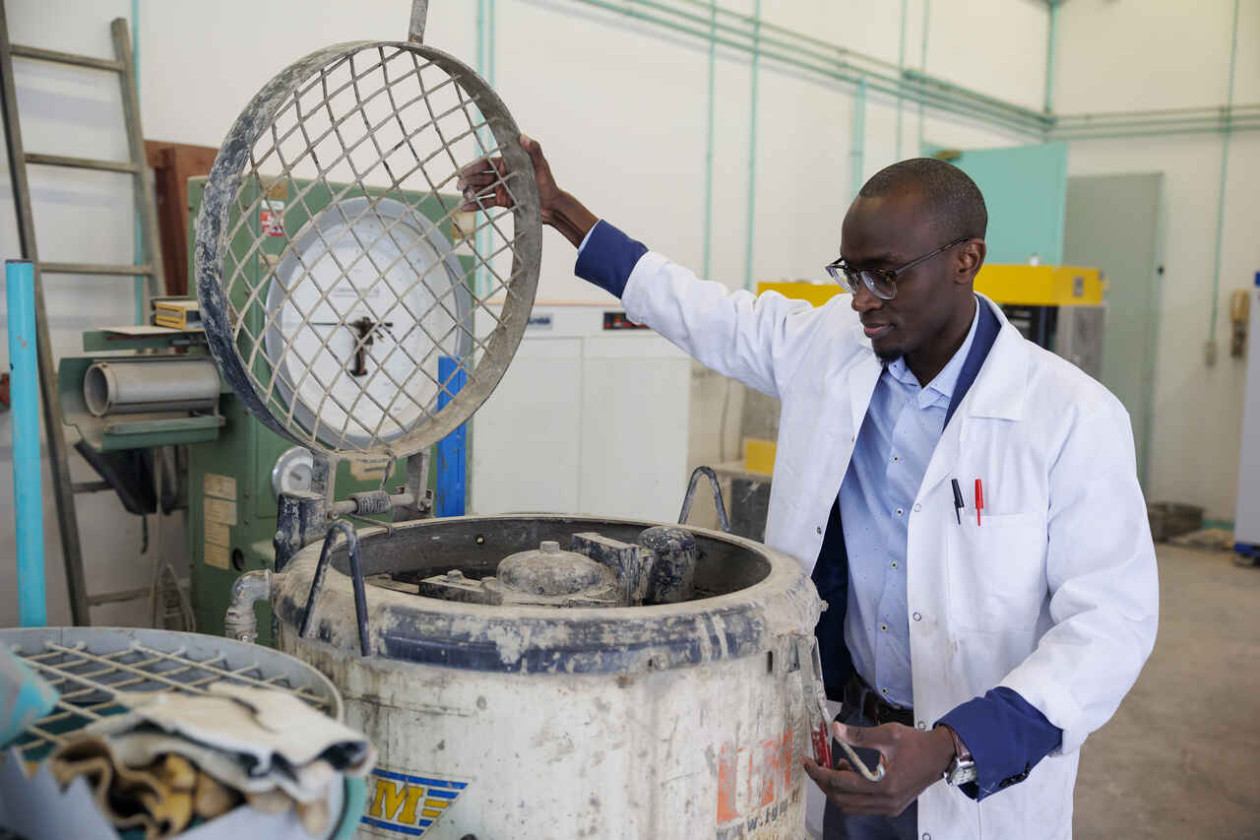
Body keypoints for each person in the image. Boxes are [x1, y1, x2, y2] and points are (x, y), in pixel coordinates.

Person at [460, 136, 1159, 839]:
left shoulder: (1071, 416)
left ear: (965, 259)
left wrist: (953, 745)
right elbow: (700, 311)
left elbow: (1111, 625)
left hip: (975, 769)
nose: (861, 300)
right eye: (850, 273)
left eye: (885, 275)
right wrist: (559, 210)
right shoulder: (830, 347)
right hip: (841, 732)